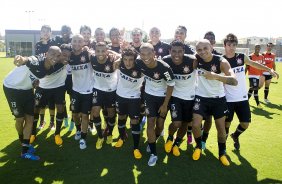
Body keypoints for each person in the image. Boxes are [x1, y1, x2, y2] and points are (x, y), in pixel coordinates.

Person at [3, 46, 62, 160]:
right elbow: (27, 59)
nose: (55, 57)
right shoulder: (36, 61)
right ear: (46, 54)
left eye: (58, 55)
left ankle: (25, 150)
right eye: (52, 54)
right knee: (20, 120)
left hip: (27, 90)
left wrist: (35, 82)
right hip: (12, 88)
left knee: (30, 119)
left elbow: (36, 76)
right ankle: (22, 139)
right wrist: (20, 59)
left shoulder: (50, 67)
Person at [223, 34, 278, 151]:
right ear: (225, 45)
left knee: (245, 124)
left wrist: (269, 69)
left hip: (242, 98)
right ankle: (223, 150)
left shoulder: (242, 57)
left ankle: (235, 136)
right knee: (226, 125)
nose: (231, 47)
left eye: (234, 45)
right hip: (227, 99)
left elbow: (254, 64)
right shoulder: (221, 60)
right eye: (229, 45)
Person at [192, 39, 238, 166]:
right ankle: (198, 146)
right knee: (195, 125)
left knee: (221, 128)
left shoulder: (221, 61)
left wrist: (215, 76)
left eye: (205, 48)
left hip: (218, 99)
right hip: (201, 97)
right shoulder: (196, 60)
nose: (203, 52)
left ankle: (222, 153)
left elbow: (234, 81)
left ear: (211, 47)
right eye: (199, 49)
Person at [136, 43, 175, 166]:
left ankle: (157, 136)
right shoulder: (139, 62)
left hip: (163, 98)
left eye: (148, 53)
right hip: (149, 97)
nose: (145, 56)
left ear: (154, 53)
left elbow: (171, 85)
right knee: (150, 122)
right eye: (142, 54)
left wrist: (165, 104)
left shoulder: (164, 68)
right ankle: (153, 153)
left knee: (160, 124)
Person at [31, 44, 72, 146]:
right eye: (63, 55)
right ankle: (32, 133)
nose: (66, 58)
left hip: (58, 88)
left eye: (68, 56)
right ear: (59, 54)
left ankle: (57, 134)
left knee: (60, 109)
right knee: (35, 109)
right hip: (42, 88)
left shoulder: (65, 62)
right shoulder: (46, 61)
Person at [163, 40, 196, 157]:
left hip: (190, 98)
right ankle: (170, 137)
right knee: (176, 123)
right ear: (169, 51)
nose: (177, 54)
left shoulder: (192, 60)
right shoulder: (165, 61)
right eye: (174, 51)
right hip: (175, 97)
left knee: (185, 123)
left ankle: (177, 144)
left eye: (180, 51)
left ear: (184, 51)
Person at [113, 48, 143, 159]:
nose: (128, 62)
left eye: (131, 60)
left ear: (135, 60)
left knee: (134, 121)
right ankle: (122, 137)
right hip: (120, 96)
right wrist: (119, 58)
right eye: (125, 59)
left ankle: (136, 147)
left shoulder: (141, 67)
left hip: (134, 98)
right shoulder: (119, 64)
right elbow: (110, 52)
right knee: (121, 117)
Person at [90, 42, 119, 150]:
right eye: (98, 51)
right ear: (95, 51)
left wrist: (113, 52)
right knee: (95, 112)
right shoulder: (92, 58)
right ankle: (100, 136)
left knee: (111, 113)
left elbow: (124, 57)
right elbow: (85, 50)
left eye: (103, 51)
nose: (100, 53)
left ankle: (110, 133)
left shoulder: (113, 60)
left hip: (111, 91)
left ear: (107, 52)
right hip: (98, 89)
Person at [69, 34, 94, 149]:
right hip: (75, 90)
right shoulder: (69, 55)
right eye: (75, 41)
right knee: (75, 114)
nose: (77, 43)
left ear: (84, 42)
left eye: (80, 41)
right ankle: (78, 130)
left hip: (88, 91)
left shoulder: (88, 54)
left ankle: (83, 138)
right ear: (71, 42)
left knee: (85, 115)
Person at [174, 25, 195, 144]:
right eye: (177, 32)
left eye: (181, 33)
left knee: (187, 118)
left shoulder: (190, 50)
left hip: (187, 90)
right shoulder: (168, 47)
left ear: (185, 36)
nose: (179, 35)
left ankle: (188, 134)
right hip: (170, 89)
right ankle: (160, 134)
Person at [201, 31, 222, 149]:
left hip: (213, 94)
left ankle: (204, 140)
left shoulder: (219, 57)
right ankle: (193, 135)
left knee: (208, 119)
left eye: (210, 40)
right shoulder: (197, 56)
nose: (208, 42)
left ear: (213, 42)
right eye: (206, 39)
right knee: (195, 119)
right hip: (198, 93)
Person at [34, 25, 56, 132]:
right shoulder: (37, 45)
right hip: (41, 79)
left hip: (52, 78)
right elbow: (36, 61)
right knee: (41, 103)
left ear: (51, 33)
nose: (46, 33)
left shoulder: (53, 44)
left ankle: (52, 122)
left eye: (48, 31)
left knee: (52, 103)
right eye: (43, 31)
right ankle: (42, 121)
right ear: (40, 33)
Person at [247, 44, 264, 108]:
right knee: (255, 88)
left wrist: (262, 74)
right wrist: (244, 74)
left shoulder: (261, 57)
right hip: (251, 75)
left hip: (258, 75)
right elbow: (247, 66)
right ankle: (258, 104)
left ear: (260, 48)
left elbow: (262, 66)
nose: (257, 48)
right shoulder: (250, 56)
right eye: (256, 47)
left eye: (259, 47)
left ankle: (246, 101)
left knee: (251, 89)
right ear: (254, 48)